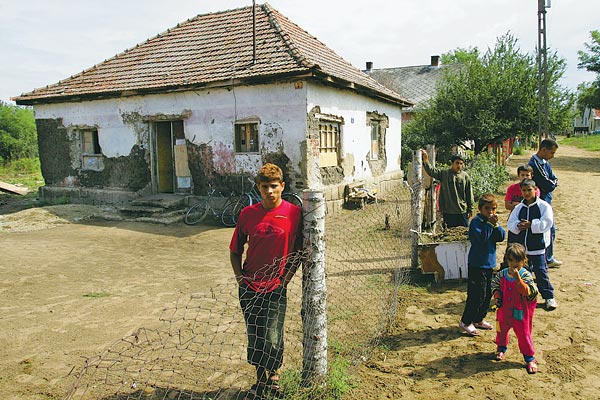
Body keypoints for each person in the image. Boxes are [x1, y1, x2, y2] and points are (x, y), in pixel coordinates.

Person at [229, 163, 303, 400]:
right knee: (256, 333)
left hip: (275, 287)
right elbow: (235, 249)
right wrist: (240, 279)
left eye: (274, 186)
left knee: (273, 334)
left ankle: (275, 376)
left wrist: (286, 279)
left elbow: (300, 249)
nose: (269, 191)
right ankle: (260, 378)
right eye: (264, 187)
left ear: (282, 186)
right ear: (258, 188)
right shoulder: (247, 214)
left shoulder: (294, 213)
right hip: (250, 286)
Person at [459, 194, 506, 336]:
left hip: (489, 264)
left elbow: (501, 237)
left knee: (486, 295)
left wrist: (496, 226)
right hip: (477, 264)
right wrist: (490, 225)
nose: (490, 212)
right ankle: (466, 321)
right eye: (487, 209)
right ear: (480, 209)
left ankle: (478, 319)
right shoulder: (476, 223)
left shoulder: (491, 223)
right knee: (476, 295)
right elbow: (481, 239)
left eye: (493, 209)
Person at [507, 179, 557, 310]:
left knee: (541, 272)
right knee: (524, 273)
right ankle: (526, 297)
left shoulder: (544, 206)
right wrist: (518, 225)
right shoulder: (518, 208)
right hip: (523, 249)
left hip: (537, 247)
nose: (527, 193)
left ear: (535, 190)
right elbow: (510, 223)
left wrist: (532, 225)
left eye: (529, 190)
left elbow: (547, 223)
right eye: (524, 190)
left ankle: (549, 297)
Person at [491, 243, 539, 374]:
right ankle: (501, 348)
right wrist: (497, 296)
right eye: (511, 260)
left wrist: (519, 280)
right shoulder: (502, 274)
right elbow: (495, 285)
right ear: (507, 260)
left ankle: (529, 358)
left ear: (524, 260)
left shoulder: (526, 275)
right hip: (504, 309)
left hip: (520, 311)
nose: (514, 264)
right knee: (501, 330)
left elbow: (530, 292)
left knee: (523, 334)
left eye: (518, 260)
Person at [528, 139, 561, 267]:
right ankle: (546, 259)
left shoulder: (544, 162)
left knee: (550, 229)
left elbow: (553, 178)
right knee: (546, 228)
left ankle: (547, 257)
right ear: (543, 150)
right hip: (540, 201)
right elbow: (547, 183)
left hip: (547, 200)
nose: (552, 156)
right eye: (551, 152)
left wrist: (553, 182)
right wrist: (553, 184)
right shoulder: (535, 164)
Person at [421, 149, 474, 228]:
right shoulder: (444, 174)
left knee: (463, 233)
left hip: (462, 211)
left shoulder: (465, 176)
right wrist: (426, 160)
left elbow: (469, 193)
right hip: (448, 211)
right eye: (457, 163)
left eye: (461, 164)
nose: (459, 165)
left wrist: (470, 209)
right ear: (452, 163)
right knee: (449, 234)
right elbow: (431, 171)